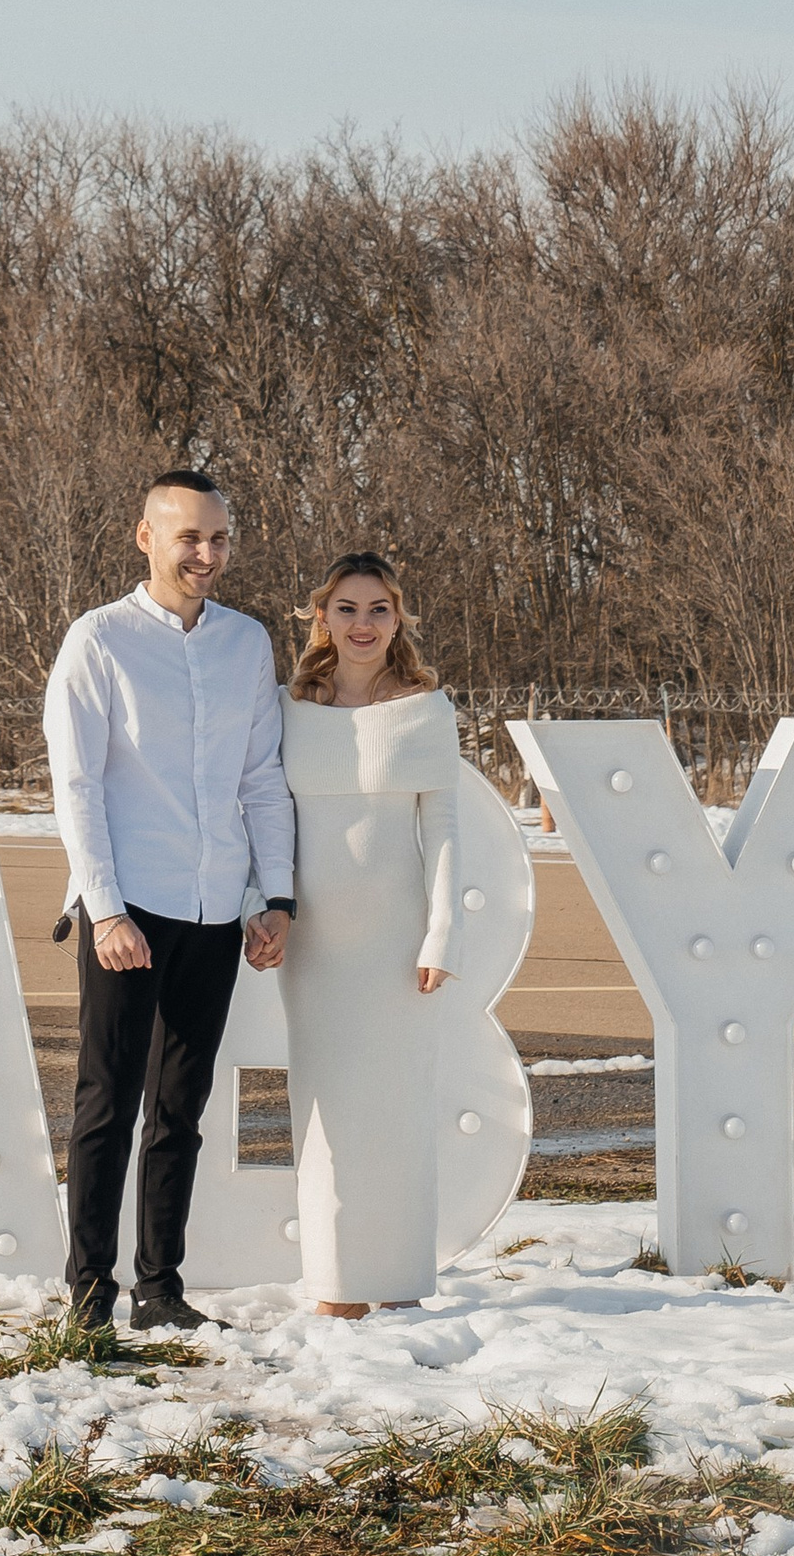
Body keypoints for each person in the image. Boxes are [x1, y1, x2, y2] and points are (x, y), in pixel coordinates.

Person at [43, 470, 296, 1331]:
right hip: (131, 905)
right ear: (146, 537)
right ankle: (88, 1294)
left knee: (181, 1109)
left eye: (220, 538)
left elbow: (262, 779)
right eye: (190, 537)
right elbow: (76, 785)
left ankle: (161, 1290)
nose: (208, 554)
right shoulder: (99, 641)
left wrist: (275, 896)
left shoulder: (246, 643)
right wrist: (104, 909)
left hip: (217, 908)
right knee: (107, 1102)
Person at [278, 551, 458, 1316]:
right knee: (325, 1112)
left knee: (397, 1112)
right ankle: (336, 1285)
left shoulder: (426, 707)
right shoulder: (288, 706)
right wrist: (265, 905)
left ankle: (398, 1281)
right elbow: (266, 819)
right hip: (313, 945)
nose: (363, 624)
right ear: (322, 616)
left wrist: (442, 932)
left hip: (397, 946)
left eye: (378, 608)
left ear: (398, 617)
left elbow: (444, 829)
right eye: (347, 608)